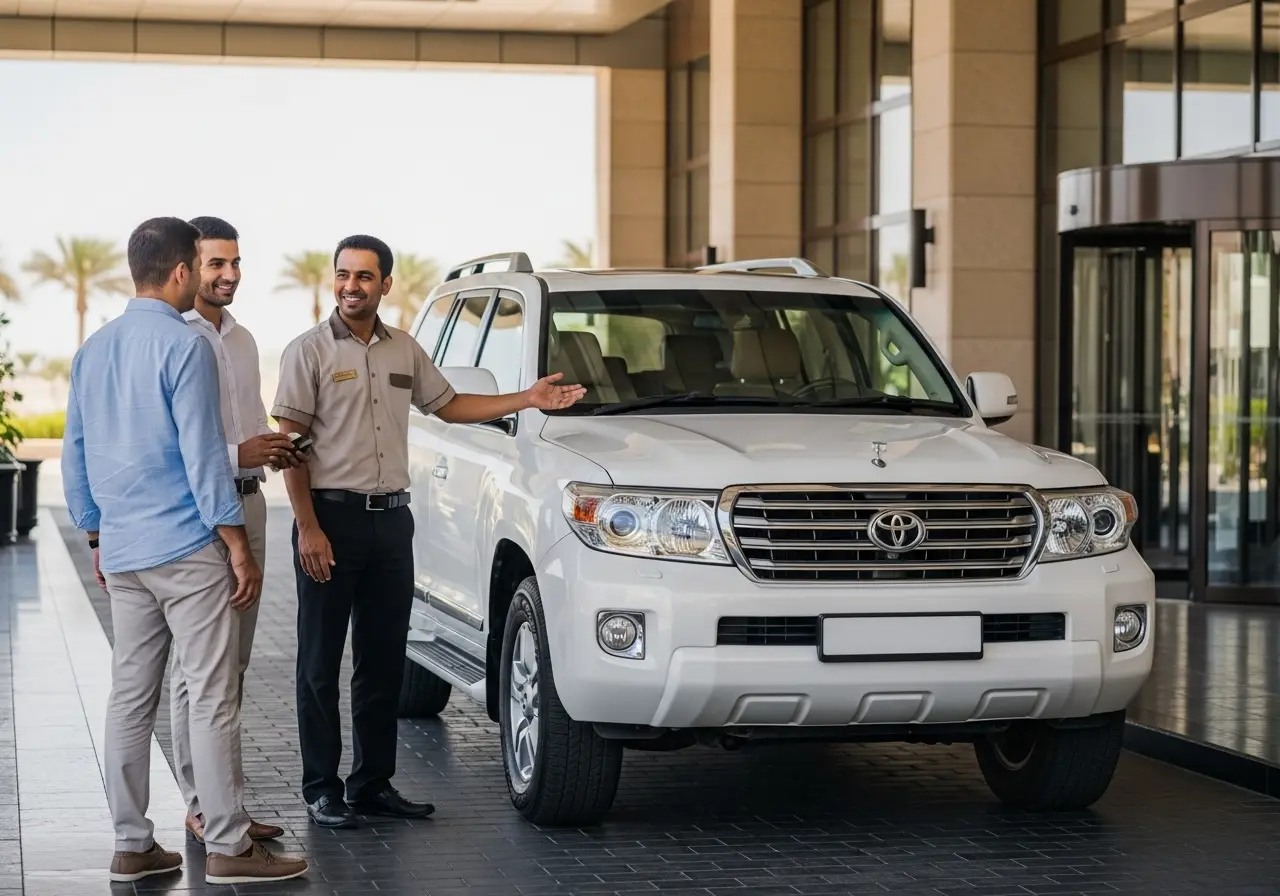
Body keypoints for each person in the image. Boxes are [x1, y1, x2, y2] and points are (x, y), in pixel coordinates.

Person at [271, 234, 586, 828]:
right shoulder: (306, 352)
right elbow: (290, 447)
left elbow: (449, 405)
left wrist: (529, 396)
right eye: (343, 275)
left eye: (364, 276)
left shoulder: (403, 350)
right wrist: (308, 529)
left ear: (385, 284)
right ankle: (321, 788)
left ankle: (371, 783)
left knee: (383, 659)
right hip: (329, 521)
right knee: (319, 663)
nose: (351, 286)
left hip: (392, 523)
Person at [62, 216, 309, 886]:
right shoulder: (185, 346)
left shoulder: (94, 350)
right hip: (186, 544)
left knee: (130, 696)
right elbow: (202, 457)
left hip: (125, 550)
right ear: (180, 271)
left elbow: (75, 455)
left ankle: (132, 842)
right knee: (210, 694)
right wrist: (237, 544)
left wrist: (94, 534)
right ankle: (229, 846)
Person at [171, 215, 302, 846]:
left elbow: (247, 425)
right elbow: (176, 445)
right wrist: (238, 454)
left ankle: (228, 804)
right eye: (215, 263)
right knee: (197, 672)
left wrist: (272, 450)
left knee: (237, 665)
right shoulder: (177, 336)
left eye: (235, 262)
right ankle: (202, 806)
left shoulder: (245, 339)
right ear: (187, 267)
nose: (229, 275)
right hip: (199, 511)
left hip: (251, 506)